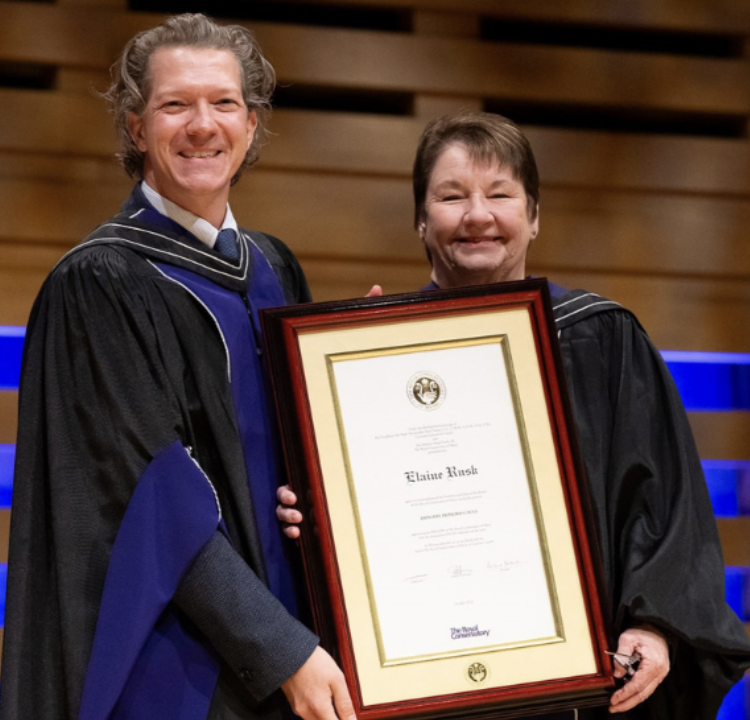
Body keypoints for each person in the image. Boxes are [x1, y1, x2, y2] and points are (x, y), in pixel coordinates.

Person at [277, 112, 750, 719]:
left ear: (533, 216)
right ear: (421, 220)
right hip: (427, 688)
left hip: (578, 690)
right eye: (451, 196)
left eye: (500, 194)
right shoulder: (369, 358)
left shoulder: (600, 339)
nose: (478, 215)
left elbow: (663, 504)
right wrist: (312, 506)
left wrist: (655, 625)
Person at [0, 13, 355, 720]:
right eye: (174, 104)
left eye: (223, 103)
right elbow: (156, 499)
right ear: (135, 129)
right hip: (181, 667)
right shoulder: (102, 285)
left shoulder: (273, 268)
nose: (202, 125)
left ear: (251, 125)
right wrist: (282, 650)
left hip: (291, 643)